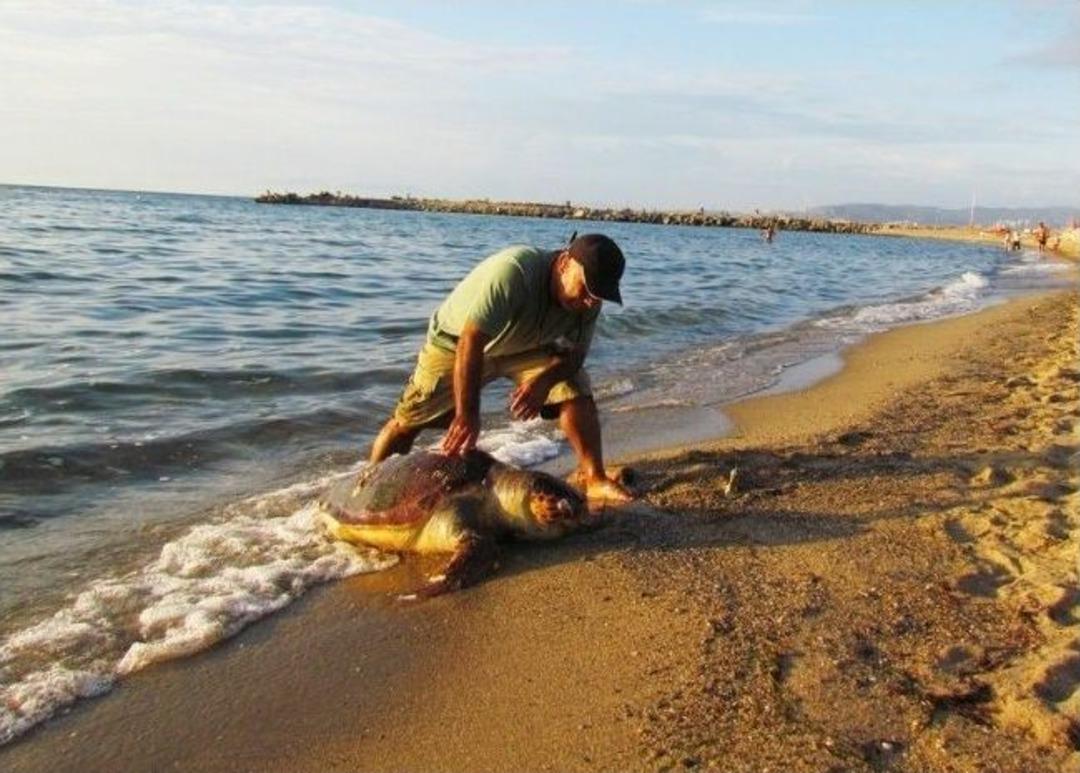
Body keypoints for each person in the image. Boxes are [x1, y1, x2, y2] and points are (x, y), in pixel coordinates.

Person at [368, 233, 634, 503]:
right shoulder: (514, 272)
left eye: (600, 294)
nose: (591, 301)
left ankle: (594, 477)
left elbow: (575, 356)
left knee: (574, 385)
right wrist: (467, 413)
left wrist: (542, 383)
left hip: (525, 347)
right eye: (587, 289)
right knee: (408, 422)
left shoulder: (589, 304)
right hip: (456, 344)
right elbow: (470, 340)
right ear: (564, 263)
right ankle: (368, 489)